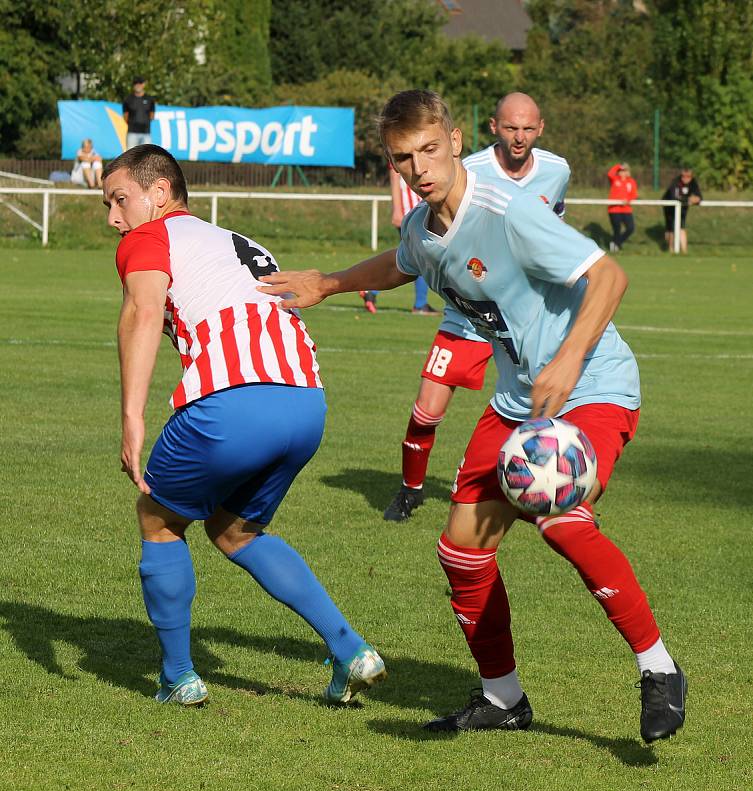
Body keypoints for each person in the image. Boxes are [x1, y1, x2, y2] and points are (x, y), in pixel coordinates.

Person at [259, 90, 687, 744]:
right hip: (518, 404)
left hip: (592, 385)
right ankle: (502, 697)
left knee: (561, 518)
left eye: (430, 149)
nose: (420, 167)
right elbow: (405, 262)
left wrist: (569, 359)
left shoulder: (507, 211)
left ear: (456, 141)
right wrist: (328, 281)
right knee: (461, 550)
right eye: (404, 158)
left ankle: (657, 667)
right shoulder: (422, 228)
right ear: (393, 162)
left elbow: (607, 278)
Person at [101, 144, 386, 707]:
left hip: (232, 405)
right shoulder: (238, 241)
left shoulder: (148, 237)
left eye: (119, 200)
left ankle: (178, 677)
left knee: (157, 519)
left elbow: (141, 312)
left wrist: (132, 415)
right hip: (305, 403)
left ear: (160, 194)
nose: (113, 218)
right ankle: (351, 651)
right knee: (234, 530)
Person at [383, 92, 570, 523]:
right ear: (491, 128)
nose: (519, 137)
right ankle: (410, 490)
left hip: (523, 316)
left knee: (547, 407)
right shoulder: (470, 168)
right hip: (467, 313)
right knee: (427, 409)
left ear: (540, 128)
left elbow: (555, 221)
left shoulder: (557, 170)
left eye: (527, 128)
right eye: (510, 128)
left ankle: (561, 492)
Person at [358, 166, 439, 315]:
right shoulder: (399, 147)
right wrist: (396, 210)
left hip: (421, 210)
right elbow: (394, 177)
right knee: (419, 258)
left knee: (415, 258)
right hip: (410, 212)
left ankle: (372, 290)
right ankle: (420, 305)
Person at [663, 167, 702, 254]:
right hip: (669, 207)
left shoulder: (693, 182)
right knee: (671, 228)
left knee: (681, 227)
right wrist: (688, 199)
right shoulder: (675, 182)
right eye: (683, 176)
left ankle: (684, 251)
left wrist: (695, 199)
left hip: (683, 206)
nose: (685, 178)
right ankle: (671, 249)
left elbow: (699, 197)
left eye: (688, 176)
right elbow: (674, 197)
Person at [606, 162, 637, 252]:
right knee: (617, 229)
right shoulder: (614, 179)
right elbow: (610, 173)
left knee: (631, 228)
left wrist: (627, 200)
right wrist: (618, 166)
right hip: (614, 209)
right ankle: (615, 248)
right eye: (621, 170)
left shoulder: (631, 182)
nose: (622, 172)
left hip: (626, 209)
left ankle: (616, 243)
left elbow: (634, 194)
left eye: (624, 170)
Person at [122, 77, 156, 149]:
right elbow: (125, 116)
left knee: (146, 158)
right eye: (135, 83)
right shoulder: (128, 99)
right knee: (131, 157)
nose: (138, 85)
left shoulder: (150, 99)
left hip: (146, 133)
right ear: (133, 85)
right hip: (132, 133)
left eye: (140, 83)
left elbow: (152, 116)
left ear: (143, 84)